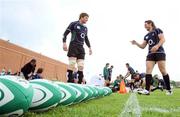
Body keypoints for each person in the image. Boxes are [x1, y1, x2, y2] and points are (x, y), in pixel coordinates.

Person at [131, 20, 172, 95]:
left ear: (151, 24)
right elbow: (143, 46)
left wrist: (157, 46)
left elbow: (163, 39)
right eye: (144, 25)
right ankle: (147, 90)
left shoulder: (157, 30)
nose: (145, 26)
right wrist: (136, 43)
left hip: (159, 52)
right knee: (148, 71)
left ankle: (169, 89)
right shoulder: (146, 36)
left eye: (146, 24)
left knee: (163, 71)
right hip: (150, 54)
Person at [62, 13, 92, 84]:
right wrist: (64, 43)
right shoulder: (73, 24)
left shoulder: (85, 28)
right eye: (86, 18)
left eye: (88, 18)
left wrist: (90, 48)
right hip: (73, 46)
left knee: (81, 66)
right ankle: (69, 82)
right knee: (72, 64)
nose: (87, 20)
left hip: (81, 48)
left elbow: (86, 39)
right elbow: (65, 34)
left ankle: (79, 83)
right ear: (81, 17)